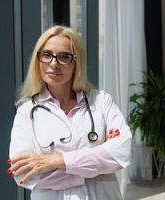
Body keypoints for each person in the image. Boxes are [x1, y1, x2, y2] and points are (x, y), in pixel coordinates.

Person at [7, 25, 132, 200]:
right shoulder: (26, 112)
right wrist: (97, 167)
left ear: (76, 62)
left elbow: (122, 151)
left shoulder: (101, 101)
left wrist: (58, 161)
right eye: (47, 55)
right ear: (38, 60)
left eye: (64, 57)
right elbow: (24, 174)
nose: (54, 63)